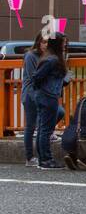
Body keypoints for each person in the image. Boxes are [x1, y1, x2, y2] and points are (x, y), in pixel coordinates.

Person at [30, 32, 70, 170]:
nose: (65, 45)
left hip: (44, 95)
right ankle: (46, 159)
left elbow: (37, 78)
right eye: (63, 42)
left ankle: (43, 159)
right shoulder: (52, 60)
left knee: (42, 128)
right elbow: (36, 77)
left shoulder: (49, 57)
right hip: (48, 96)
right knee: (46, 129)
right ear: (58, 44)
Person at [21, 34, 47, 166]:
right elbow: (33, 77)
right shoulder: (31, 55)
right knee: (30, 126)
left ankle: (37, 156)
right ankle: (29, 157)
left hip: (38, 94)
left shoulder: (44, 56)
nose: (46, 45)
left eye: (48, 43)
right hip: (30, 94)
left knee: (55, 114)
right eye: (44, 42)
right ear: (38, 42)